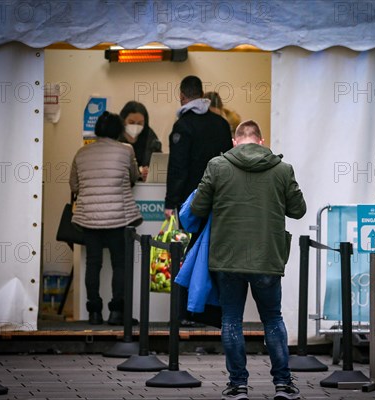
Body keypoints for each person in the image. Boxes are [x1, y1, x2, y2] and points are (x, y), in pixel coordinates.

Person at [190, 120, 306, 400]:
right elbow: (298, 210)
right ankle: (283, 384)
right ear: (261, 141)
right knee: (273, 318)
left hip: (227, 258)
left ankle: (237, 385)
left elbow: (197, 207)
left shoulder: (217, 165)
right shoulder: (282, 169)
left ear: (234, 142)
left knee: (231, 319)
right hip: (267, 257)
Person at [70, 111, 143, 325]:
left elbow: (74, 185)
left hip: (89, 218)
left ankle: (94, 312)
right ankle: (116, 312)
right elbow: (133, 176)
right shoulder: (125, 150)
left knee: (93, 263)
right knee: (120, 263)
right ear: (119, 130)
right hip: (118, 218)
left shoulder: (82, 153)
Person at [164, 76, 232, 218]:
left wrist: (170, 202)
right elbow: (229, 162)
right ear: (201, 95)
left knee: (190, 239)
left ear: (182, 96)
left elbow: (178, 167)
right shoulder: (222, 124)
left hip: (191, 201)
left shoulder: (182, 126)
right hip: (219, 199)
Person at [119, 100, 162, 181]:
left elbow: (158, 161)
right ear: (123, 120)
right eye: (131, 122)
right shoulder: (115, 136)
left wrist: (150, 172)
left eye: (140, 123)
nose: (135, 126)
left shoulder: (150, 137)